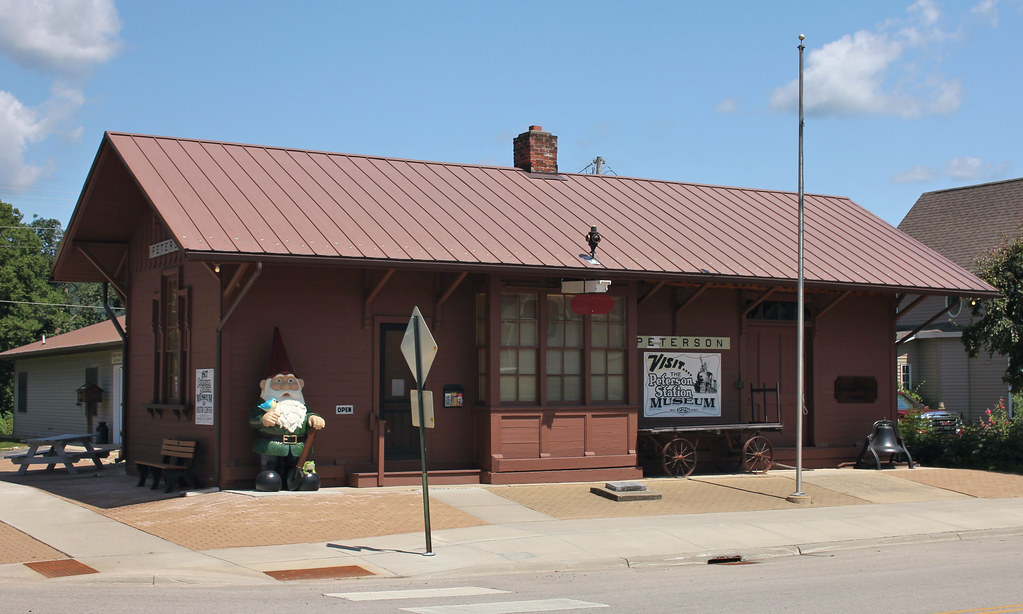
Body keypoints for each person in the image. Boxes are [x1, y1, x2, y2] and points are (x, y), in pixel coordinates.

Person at [249, 328, 325, 491]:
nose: (285, 386)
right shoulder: (265, 404)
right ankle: (270, 478)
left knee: (297, 468)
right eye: (279, 381)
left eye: (291, 381)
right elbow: (253, 418)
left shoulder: (299, 405)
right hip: (272, 445)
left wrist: (314, 417)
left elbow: (306, 413)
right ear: (265, 385)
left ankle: (296, 480)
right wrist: (262, 420)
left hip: (298, 447)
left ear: (300, 385)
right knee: (271, 472)